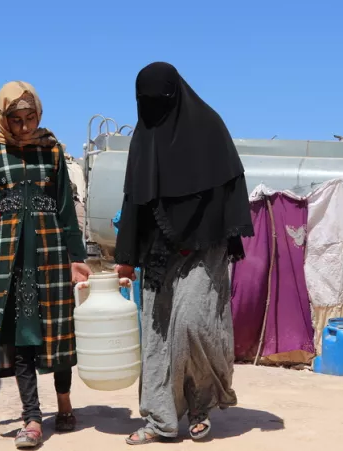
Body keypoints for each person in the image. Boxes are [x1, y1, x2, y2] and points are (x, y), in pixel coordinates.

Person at [0, 81, 92, 449]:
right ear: (3, 118)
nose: (24, 127)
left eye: (30, 118)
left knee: (57, 329)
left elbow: (66, 210)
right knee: (21, 333)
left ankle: (65, 402)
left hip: (52, 253)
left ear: (39, 114)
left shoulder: (52, 151)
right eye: (16, 119)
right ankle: (32, 417)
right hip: (12, 256)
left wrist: (77, 258)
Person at [114, 62, 254, 445]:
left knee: (193, 324)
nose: (153, 107)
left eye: (159, 100)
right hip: (159, 252)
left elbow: (230, 184)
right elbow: (134, 200)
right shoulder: (144, 136)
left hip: (204, 247)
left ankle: (200, 405)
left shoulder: (209, 126)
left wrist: (219, 232)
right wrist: (126, 257)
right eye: (145, 101)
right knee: (158, 338)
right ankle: (159, 420)